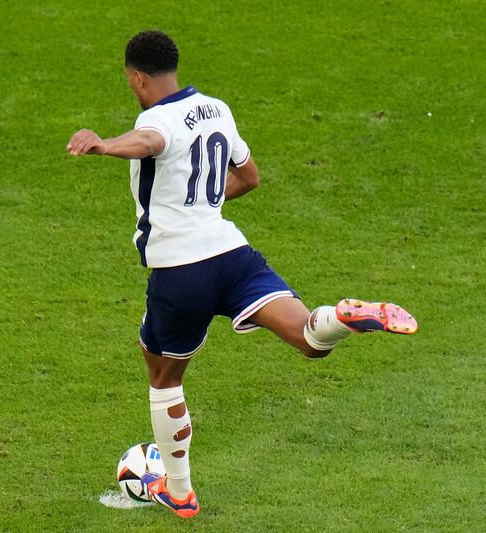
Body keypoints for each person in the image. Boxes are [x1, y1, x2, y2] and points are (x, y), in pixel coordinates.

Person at [66, 30, 417, 518]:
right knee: (309, 341)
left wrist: (104, 145)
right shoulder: (217, 109)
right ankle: (340, 315)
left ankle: (181, 490)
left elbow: (150, 141)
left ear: (138, 77)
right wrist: (201, 200)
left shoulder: (154, 118)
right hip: (232, 253)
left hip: (180, 271)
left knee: (163, 372)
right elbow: (249, 177)